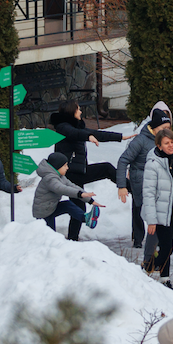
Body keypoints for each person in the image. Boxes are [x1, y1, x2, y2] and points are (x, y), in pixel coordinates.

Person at [51, 100, 129, 240]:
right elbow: (74, 133)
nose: (81, 112)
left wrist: (120, 137)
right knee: (106, 169)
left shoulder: (76, 127)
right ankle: (131, 187)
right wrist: (87, 136)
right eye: (78, 109)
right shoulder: (63, 127)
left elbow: (96, 134)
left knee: (79, 208)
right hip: (70, 174)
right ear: (71, 111)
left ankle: (72, 239)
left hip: (77, 172)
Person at [117, 104, 172, 248]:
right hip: (140, 179)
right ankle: (139, 239)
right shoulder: (140, 140)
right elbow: (123, 160)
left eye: (168, 128)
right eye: (163, 128)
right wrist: (122, 186)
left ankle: (154, 240)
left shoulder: (165, 140)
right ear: (154, 127)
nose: (166, 131)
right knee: (140, 207)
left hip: (158, 180)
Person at [142, 128, 173, 289]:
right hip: (160, 214)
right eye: (167, 143)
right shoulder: (153, 164)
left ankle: (157, 271)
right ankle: (156, 274)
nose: (171, 145)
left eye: (172, 142)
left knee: (168, 247)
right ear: (159, 145)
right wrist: (152, 220)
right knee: (167, 247)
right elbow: (149, 193)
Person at [33, 152, 101, 233]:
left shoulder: (60, 177)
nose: (67, 168)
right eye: (65, 165)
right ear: (57, 166)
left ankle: (86, 218)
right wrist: (79, 194)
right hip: (44, 212)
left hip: (51, 207)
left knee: (67, 205)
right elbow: (61, 189)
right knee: (50, 236)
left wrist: (90, 200)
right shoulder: (50, 178)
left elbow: (72, 186)